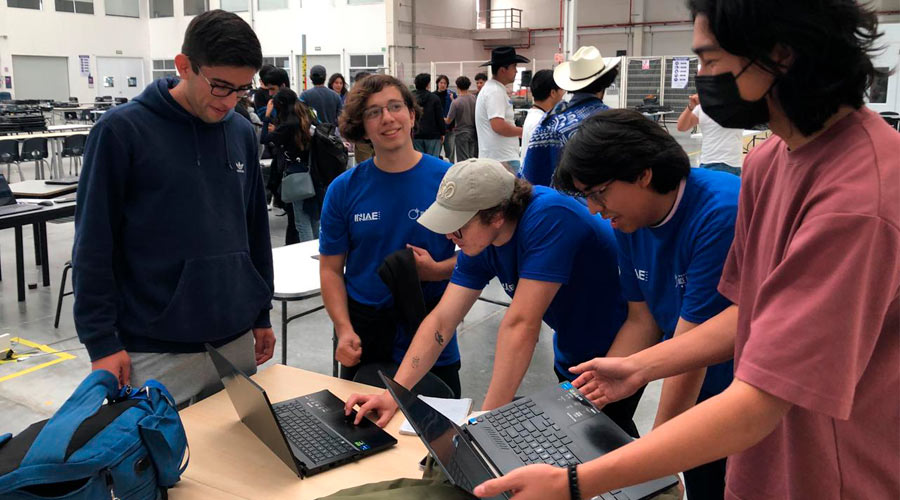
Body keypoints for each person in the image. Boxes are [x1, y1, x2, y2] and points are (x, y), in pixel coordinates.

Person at [473, 1, 899, 499]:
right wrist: (641, 366)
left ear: (780, 55)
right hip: (759, 458)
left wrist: (573, 482)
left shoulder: (858, 201)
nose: (703, 78)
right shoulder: (769, 160)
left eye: (710, 60)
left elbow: (763, 398)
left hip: (828, 470)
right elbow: (746, 315)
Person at [345, 159, 637, 436]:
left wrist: (484, 425)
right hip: (573, 349)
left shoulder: (550, 217)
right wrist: (394, 394)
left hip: (622, 345)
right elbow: (442, 320)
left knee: (608, 439)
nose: (449, 236)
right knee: (590, 436)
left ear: (496, 215)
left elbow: (521, 325)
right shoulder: (481, 240)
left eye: (457, 226)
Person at [72, 10, 274, 407]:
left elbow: (255, 227)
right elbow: (94, 243)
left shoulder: (240, 132)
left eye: (241, 89)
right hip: (154, 348)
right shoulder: (121, 131)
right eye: (220, 86)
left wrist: (260, 312)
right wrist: (101, 342)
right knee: (159, 449)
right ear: (184, 66)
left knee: (240, 447)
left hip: (235, 339)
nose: (229, 101)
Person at [555, 109, 739, 500]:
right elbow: (642, 321)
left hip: (739, 394)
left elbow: (693, 351)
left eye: (598, 193)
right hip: (694, 388)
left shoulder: (719, 213)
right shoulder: (629, 219)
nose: (594, 209)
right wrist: (586, 399)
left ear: (642, 174)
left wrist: (656, 457)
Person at [320, 74, 462, 395]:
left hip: (432, 325)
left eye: (395, 107)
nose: (387, 118)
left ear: (411, 115)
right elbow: (330, 269)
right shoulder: (344, 190)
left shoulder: (449, 181)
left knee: (440, 422)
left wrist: (438, 270)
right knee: (362, 424)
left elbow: (481, 256)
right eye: (373, 112)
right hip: (365, 333)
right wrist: (343, 329)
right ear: (363, 127)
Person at [521, 46, 619, 186]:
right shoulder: (614, 122)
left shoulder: (550, 124)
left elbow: (532, 178)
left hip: (558, 199)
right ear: (605, 84)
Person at [268, 88, 319, 241]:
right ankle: (318, 249)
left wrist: (266, 117)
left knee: (301, 220)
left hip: (296, 172)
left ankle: (308, 250)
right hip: (315, 169)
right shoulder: (309, 116)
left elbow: (265, 138)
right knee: (314, 217)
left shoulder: (289, 123)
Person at [259, 66, 300, 245]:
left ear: (283, 86)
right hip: (299, 169)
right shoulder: (302, 111)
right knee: (302, 217)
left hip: (290, 171)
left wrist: (269, 119)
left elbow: (265, 138)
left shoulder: (288, 119)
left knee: (298, 219)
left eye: (272, 89)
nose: (270, 95)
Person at [475, 46, 526, 169]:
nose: (516, 71)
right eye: (514, 67)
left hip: (499, 157)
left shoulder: (494, 89)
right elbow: (498, 126)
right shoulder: (495, 91)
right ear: (503, 70)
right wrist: (524, 131)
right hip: (502, 160)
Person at [676, 93, 743, 176]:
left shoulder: (737, 103)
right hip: (707, 161)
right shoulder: (702, 105)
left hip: (729, 163)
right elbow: (681, 127)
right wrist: (691, 107)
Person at [520, 69, 564, 166]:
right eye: (561, 89)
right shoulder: (540, 122)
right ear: (553, 93)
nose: (563, 93)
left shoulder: (535, 116)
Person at [412, 73, 446, 158]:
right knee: (433, 160)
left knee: (418, 160)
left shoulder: (411, 98)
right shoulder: (434, 98)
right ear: (427, 84)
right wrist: (443, 132)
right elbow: (439, 117)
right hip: (433, 135)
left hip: (416, 134)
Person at [446, 76, 478, 161]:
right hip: (473, 133)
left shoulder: (456, 102)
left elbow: (448, 121)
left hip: (461, 133)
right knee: (472, 159)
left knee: (463, 160)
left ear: (457, 86)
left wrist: (439, 117)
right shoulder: (474, 99)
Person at [435, 74, 458, 161]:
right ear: (437, 83)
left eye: (445, 83)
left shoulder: (452, 95)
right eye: (441, 83)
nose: (443, 85)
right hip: (437, 130)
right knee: (436, 154)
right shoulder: (433, 95)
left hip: (450, 129)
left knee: (450, 154)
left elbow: (457, 109)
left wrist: (453, 100)